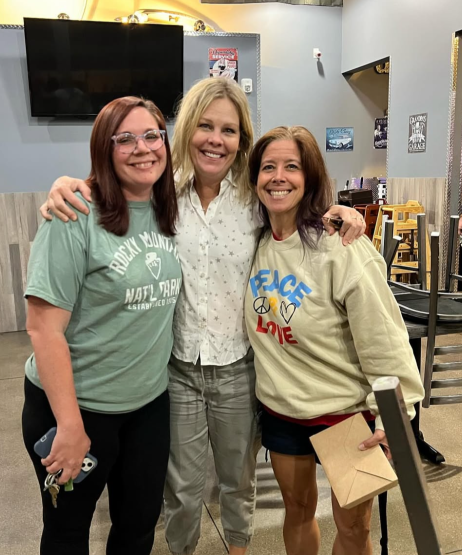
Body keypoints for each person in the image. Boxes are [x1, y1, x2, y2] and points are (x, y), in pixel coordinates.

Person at [39, 77, 366, 555]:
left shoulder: (254, 198)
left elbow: (296, 204)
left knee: (237, 483)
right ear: (188, 129)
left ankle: (238, 549)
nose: (216, 139)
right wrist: (66, 184)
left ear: (241, 140)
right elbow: (110, 184)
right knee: (182, 492)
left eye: (229, 131)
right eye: (206, 126)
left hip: (239, 368)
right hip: (176, 372)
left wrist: (341, 211)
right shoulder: (161, 191)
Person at [245, 125, 424, 555]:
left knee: (353, 529)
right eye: (268, 167)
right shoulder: (256, 243)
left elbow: (383, 335)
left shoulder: (339, 245)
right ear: (254, 179)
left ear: (310, 177)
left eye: (292, 166)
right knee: (298, 509)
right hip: (283, 410)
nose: (278, 177)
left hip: (345, 414)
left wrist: (397, 417)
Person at [21, 96, 182, 555]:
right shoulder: (74, 214)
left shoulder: (169, 208)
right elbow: (43, 329)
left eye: (152, 135)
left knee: (137, 530)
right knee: (68, 533)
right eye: (125, 138)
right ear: (104, 149)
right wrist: (69, 425)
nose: (142, 147)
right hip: (76, 408)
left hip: (147, 406)